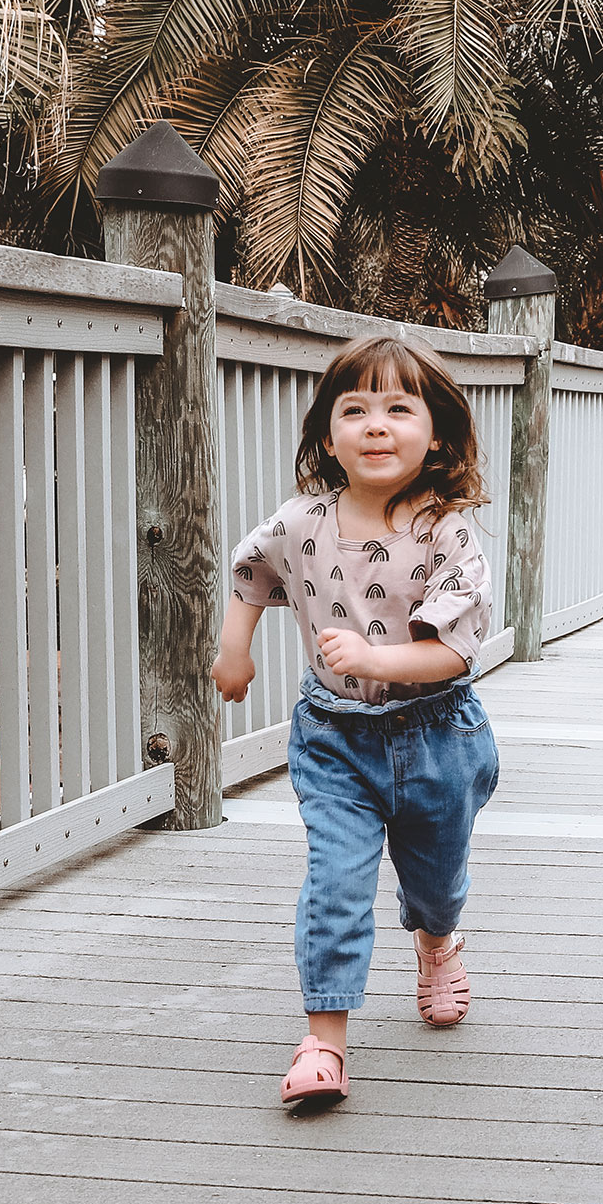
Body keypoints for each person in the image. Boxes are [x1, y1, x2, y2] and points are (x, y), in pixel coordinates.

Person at [215, 334, 502, 1109]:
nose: (376, 425)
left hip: (438, 733)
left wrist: (379, 661)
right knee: (336, 880)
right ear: (328, 435)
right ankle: (324, 1040)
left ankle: (438, 942)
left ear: (434, 432)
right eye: (355, 409)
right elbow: (251, 575)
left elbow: (451, 650)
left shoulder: (448, 531)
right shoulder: (299, 520)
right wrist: (234, 652)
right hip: (334, 738)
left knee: (435, 884)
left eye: (399, 409)